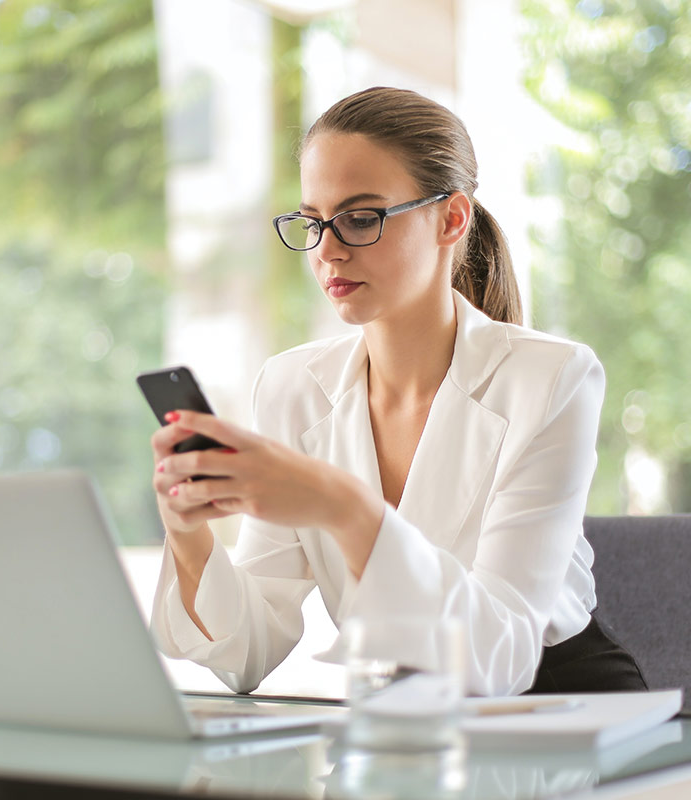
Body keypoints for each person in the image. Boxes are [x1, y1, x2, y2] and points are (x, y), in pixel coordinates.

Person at [149, 87, 646, 697]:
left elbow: (503, 658)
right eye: (312, 222)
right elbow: (247, 654)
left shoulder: (552, 378)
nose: (327, 249)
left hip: (560, 710)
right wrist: (188, 530)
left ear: (451, 218)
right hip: (403, 722)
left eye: (360, 218)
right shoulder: (291, 388)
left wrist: (344, 507)